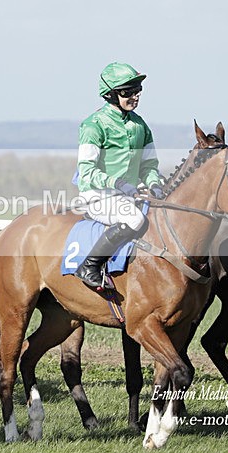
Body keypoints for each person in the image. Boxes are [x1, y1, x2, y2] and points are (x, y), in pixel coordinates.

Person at [74, 62, 165, 291]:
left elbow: (149, 165)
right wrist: (117, 183)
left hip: (129, 195)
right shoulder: (93, 126)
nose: (135, 96)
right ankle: (89, 267)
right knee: (134, 219)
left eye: (137, 90)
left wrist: (154, 183)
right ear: (111, 94)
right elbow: (87, 171)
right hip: (97, 195)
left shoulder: (140, 125)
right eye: (128, 91)